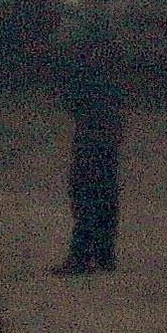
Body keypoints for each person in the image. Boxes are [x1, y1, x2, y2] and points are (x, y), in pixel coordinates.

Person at [53, 22, 127, 276]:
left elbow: (73, 97)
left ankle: (81, 255)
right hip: (109, 127)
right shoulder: (114, 60)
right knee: (105, 191)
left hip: (92, 128)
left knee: (85, 192)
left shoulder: (87, 64)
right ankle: (105, 253)